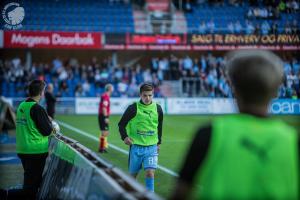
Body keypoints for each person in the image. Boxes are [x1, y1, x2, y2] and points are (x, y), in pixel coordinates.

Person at [170, 50, 299, 199]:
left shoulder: (208, 134)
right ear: (276, 92)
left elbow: (179, 194)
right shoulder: (293, 141)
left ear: (234, 88)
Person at [2, 80, 53, 199]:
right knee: (31, 189)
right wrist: (52, 126)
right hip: (35, 150)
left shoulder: (22, 105)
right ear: (41, 93)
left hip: (23, 149)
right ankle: (5, 194)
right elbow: (47, 131)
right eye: (44, 91)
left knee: (31, 183)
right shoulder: (37, 108)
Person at [118, 83, 163, 192]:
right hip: (136, 147)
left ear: (153, 94)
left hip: (151, 147)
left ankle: (150, 196)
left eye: (150, 95)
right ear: (140, 95)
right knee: (133, 177)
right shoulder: (133, 108)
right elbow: (121, 124)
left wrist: (159, 142)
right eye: (145, 95)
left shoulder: (158, 108)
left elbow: (159, 126)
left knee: (150, 173)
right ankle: (130, 195)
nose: (147, 98)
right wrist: (125, 137)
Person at [98, 84, 114, 153]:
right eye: (112, 88)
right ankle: (102, 147)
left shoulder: (104, 96)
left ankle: (102, 147)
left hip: (101, 115)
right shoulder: (106, 96)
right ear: (110, 89)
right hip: (103, 115)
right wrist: (106, 117)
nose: (113, 89)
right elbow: (104, 107)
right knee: (105, 132)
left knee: (104, 132)